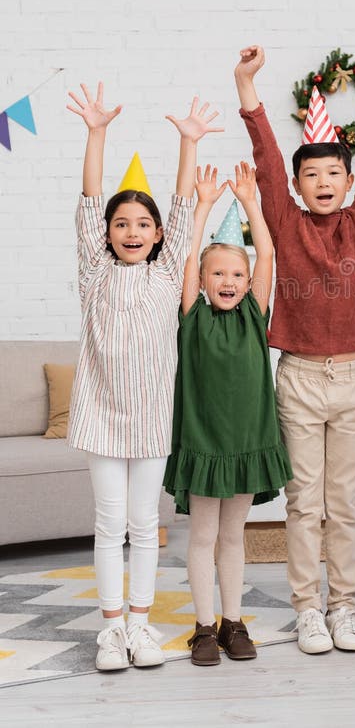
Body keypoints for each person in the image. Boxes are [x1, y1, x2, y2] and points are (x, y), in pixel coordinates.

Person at [234, 45, 355, 654]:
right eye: (311, 174)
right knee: (303, 503)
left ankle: (345, 608)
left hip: (354, 378)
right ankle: (308, 608)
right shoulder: (285, 223)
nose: (324, 182)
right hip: (300, 379)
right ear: (298, 185)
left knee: (346, 504)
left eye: (334, 172)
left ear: (347, 179)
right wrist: (247, 86)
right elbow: (264, 161)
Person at [67, 84, 222, 671]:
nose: (132, 231)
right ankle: (111, 631)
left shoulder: (165, 276)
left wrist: (187, 144)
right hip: (102, 415)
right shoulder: (94, 272)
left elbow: (184, 210)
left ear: (158, 235)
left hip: (153, 416)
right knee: (109, 525)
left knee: (144, 524)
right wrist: (97, 134)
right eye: (121, 223)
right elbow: (88, 200)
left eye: (143, 224)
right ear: (107, 234)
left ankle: (141, 625)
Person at [163, 161, 292, 667]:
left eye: (237, 274)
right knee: (202, 536)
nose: (229, 280)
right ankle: (201, 627)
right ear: (202, 279)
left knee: (233, 537)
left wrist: (251, 203)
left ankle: (232, 622)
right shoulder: (192, 313)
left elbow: (269, 257)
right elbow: (183, 258)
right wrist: (202, 206)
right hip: (203, 443)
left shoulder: (255, 313)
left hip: (245, 443)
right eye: (218, 272)